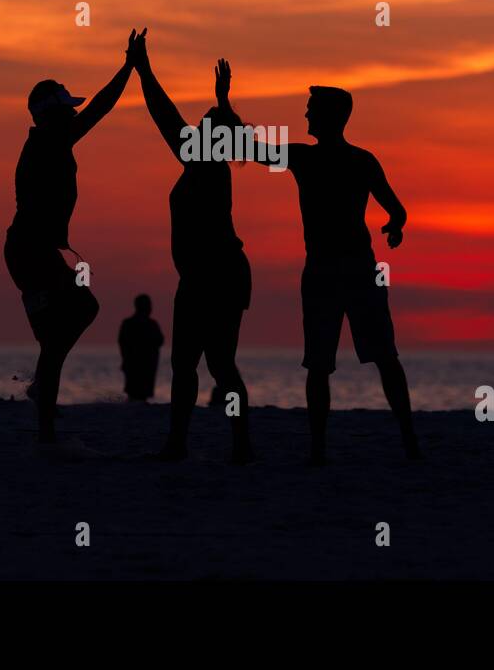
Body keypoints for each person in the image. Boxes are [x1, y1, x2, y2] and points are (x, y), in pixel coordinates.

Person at [252, 83, 418, 465]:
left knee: (326, 361)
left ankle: (323, 450)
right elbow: (397, 209)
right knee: (367, 357)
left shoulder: (310, 159)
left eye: (311, 109)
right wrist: (395, 225)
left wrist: (227, 110)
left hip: (336, 268)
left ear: (329, 116)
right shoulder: (356, 160)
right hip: (352, 267)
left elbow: (253, 151)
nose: (306, 115)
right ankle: (402, 442)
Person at [5, 29, 142, 447]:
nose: (72, 114)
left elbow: (92, 112)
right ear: (49, 113)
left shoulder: (49, 141)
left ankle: (44, 409)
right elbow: (99, 109)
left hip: (33, 251)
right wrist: (128, 68)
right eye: (65, 108)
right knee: (80, 310)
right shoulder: (50, 140)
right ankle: (45, 419)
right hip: (29, 252)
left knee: (64, 328)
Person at [133, 35, 255, 463]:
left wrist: (144, 72)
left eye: (205, 124)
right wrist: (222, 100)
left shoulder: (205, 164)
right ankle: (184, 443)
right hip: (209, 275)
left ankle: (234, 445)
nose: (197, 125)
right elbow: (178, 122)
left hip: (216, 274)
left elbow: (164, 117)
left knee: (217, 365)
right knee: (196, 365)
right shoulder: (206, 163)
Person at [118, 294, 164, 401]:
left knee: (137, 394)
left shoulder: (130, 323)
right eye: (148, 305)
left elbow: (160, 340)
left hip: (139, 364)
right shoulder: (147, 324)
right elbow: (123, 343)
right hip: (137, 364)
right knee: (136, 393)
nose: (150, 308)